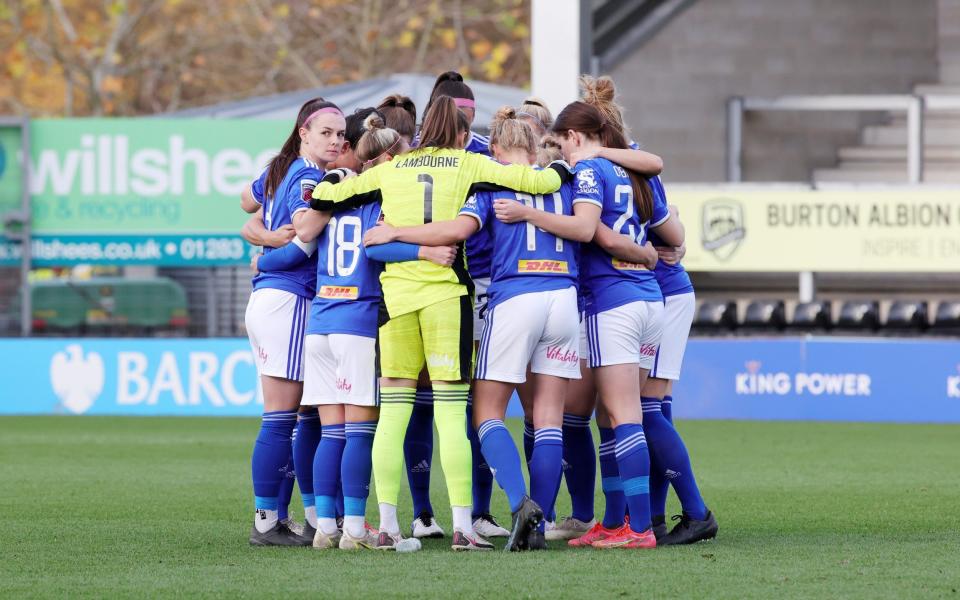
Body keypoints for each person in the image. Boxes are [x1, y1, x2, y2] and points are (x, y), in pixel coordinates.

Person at [310, 95, 571, 551]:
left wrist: (338, 175)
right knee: (453, 414)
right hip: (448, 298)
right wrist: (564, 171)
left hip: (395, 301)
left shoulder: (391, 169)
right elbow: (539, 179)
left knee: (393, 412)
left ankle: (387, 526)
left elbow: (325, 195)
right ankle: (463, 528)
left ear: (421, 129)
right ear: (463, 134)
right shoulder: (468, 164)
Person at [496, 98, 683, 549]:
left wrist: (528, 214)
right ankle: (618, 522)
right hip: (647, 298)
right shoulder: (626, 168)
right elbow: (659, 195)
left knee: (623, 415)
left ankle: (638, 528)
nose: (559, 152)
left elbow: (585, 230)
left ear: (575, 137)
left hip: (612, 299)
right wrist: (644, 253)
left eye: (561, 143)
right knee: (614, 413)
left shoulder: (587, 171)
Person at [239, 97, 344, 546]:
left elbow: (250, 209)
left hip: (277, 299)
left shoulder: (291, 170)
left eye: (341, 135)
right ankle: (267, 521)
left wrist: (262, 247)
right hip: (287, 300)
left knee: (295, 416)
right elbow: (304, 230)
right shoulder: (305, 175)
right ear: (303, 132)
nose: (336, 141)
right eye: (327, 133)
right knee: (282, 417)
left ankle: (279, 518)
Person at [640, 180, 719, 545]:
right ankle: (655, 516)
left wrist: (672, 241)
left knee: (644, 409)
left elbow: (667, 216)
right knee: (652, 407)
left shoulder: (625, 161)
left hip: (663, 296)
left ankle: (697, 513)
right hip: (657, 294)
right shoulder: (632, 160)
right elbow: (669, 215)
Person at [422, 71, 490, 155]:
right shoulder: (414, 146)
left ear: (473, 114)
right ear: (432, 114)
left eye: (461, 115)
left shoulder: (489, 149)